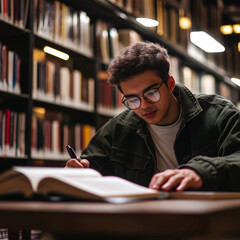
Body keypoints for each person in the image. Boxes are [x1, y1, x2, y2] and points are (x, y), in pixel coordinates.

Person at [66, 41, 240, 192]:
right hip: (145, 224)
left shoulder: (219, 114)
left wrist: (201, 172)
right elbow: (89, 171)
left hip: (208, 224)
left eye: (151, 92)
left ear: (170, 84)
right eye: (132, 99)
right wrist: (77, 174)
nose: (144, 105)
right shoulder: (118, 129)